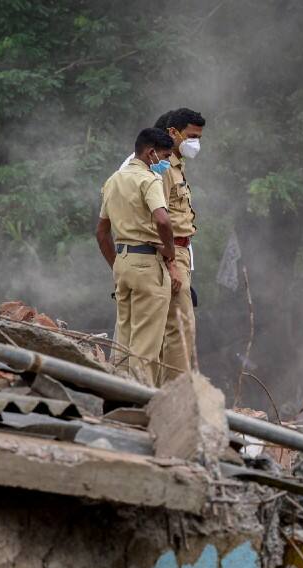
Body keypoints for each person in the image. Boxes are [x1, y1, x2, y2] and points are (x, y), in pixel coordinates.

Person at [96, 128, 180, 387]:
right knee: (146, 346)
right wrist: (170, 250)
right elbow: (163, 220)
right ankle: (139, 408)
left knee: (123, 339)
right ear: (150, 152)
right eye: (165, 156)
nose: (165, 162)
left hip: (123, 262)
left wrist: (118, 265)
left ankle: (116, 399)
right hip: (148, 264)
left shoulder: (113, 180)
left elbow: (101, 233)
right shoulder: (149, 180)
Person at [154, 108, 206, 385]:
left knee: (175, 327)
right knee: (180, 328)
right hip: (169, 253)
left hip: (181, 252)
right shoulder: (161, 167)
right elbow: (157, 219)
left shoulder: (176, 163)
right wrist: (172, 264)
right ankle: (176, 394)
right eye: (192, 136)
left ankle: (166, 391)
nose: (196, 143)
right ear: (173, 132)